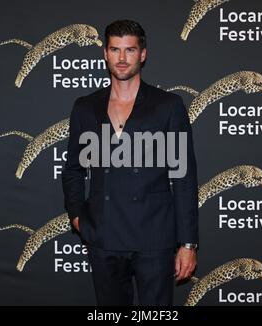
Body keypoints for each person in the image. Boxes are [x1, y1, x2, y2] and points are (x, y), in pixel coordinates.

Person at [62, 19, 199, 306]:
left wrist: (187, 243)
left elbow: (183, 176)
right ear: (105, 53)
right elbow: (73, 170)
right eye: (115, 50)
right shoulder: (85, 108)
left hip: (154, 237)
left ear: (143, 54)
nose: (122, 58)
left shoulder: (168, 106)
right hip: (104, 235)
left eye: (130, 50)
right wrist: (78, 216)